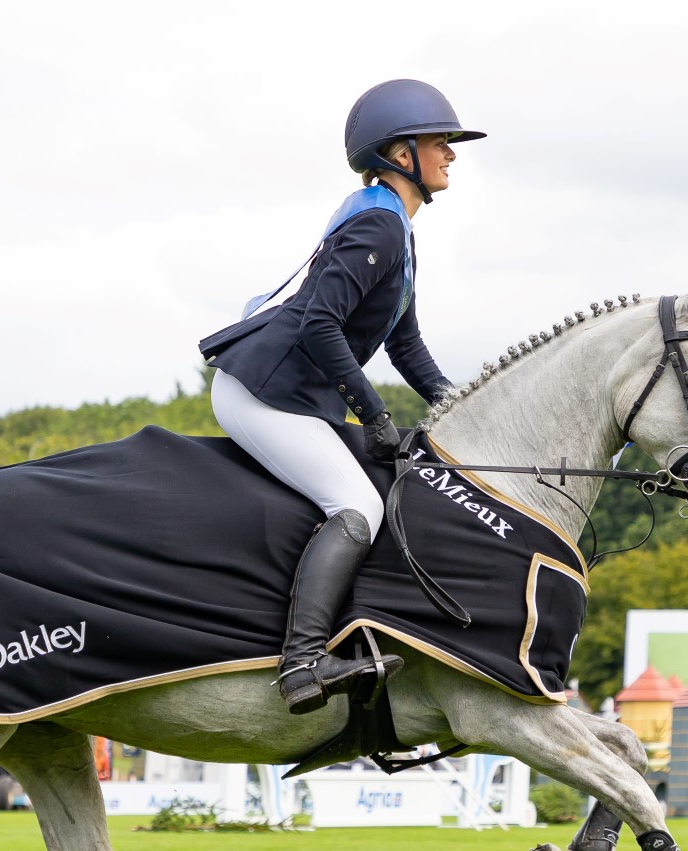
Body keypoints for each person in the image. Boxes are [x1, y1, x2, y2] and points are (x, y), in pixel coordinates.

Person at [199, 79, 484, 714]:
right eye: (441, 142)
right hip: (261, 392)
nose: (452, 154)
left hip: (292, 392)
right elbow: (318, 324)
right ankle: (302, 662)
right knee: (356, 504)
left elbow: (404, 344)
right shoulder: (380, 227)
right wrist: (374, 413)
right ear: (400, 154)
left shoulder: (394, 231)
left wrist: (468, 409)